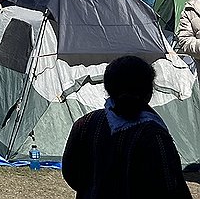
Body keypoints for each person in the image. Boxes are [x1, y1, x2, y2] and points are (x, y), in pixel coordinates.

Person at [62, 55, 190, 198]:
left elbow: (71, 173)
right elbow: (170, 187)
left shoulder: (85, 123)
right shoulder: (154, 136)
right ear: (149, 92)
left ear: (107, 88)